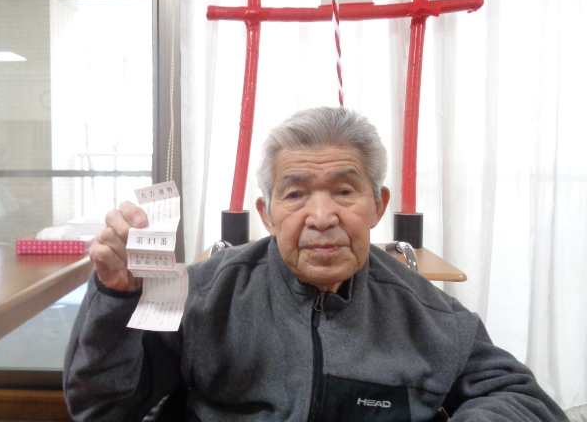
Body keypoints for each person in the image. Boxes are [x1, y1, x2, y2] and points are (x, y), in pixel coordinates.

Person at [64, 106, 567, 422]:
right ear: (266, 214)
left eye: (345, 191)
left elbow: (524, 399)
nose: (322, 217)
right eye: (295, 194)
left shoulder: (431, 316)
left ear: (377, 206)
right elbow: (101, 408)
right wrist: (117, 300)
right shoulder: (201, 292)